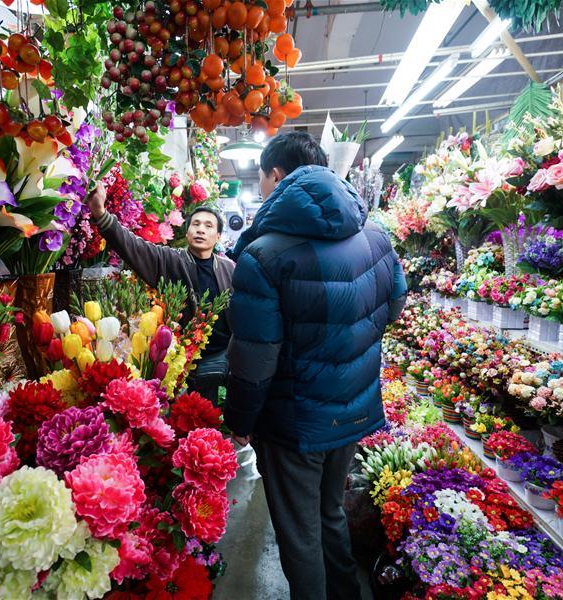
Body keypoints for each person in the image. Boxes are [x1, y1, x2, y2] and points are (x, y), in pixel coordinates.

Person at [224, 132, 407, 600]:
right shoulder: (376, 237)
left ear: (277, 176)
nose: (263, 189)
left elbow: (255, 357)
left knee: (299, 531)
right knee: (330, 513)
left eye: (263, 180)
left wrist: (241, 420)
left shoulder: (262, 255)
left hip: (294, 422)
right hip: (352, 410)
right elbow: (395, 304)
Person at [87, 183, 234, 401]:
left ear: (218, 236)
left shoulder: (229, 269)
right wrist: (101, 215)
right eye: (196, 224)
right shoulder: (170, 259)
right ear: (187, 230)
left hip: (223, 353)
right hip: (183, 358)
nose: (201, 229)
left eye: (208, 226)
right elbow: (133, 246)